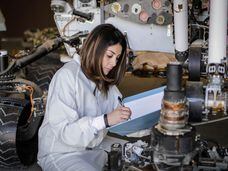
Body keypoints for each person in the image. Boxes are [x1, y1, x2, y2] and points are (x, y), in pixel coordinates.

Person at [37, 23, 132, 171]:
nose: (114, 63)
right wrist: (105, 120)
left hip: (94, 147)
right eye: (109, 55)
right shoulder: (67, 76)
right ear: (95, 49)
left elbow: (123, 114)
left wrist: (157, 120)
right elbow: (65, 133)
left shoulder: (104, 81)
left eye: (118, 58)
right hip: (62, 153)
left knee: (141, 152)